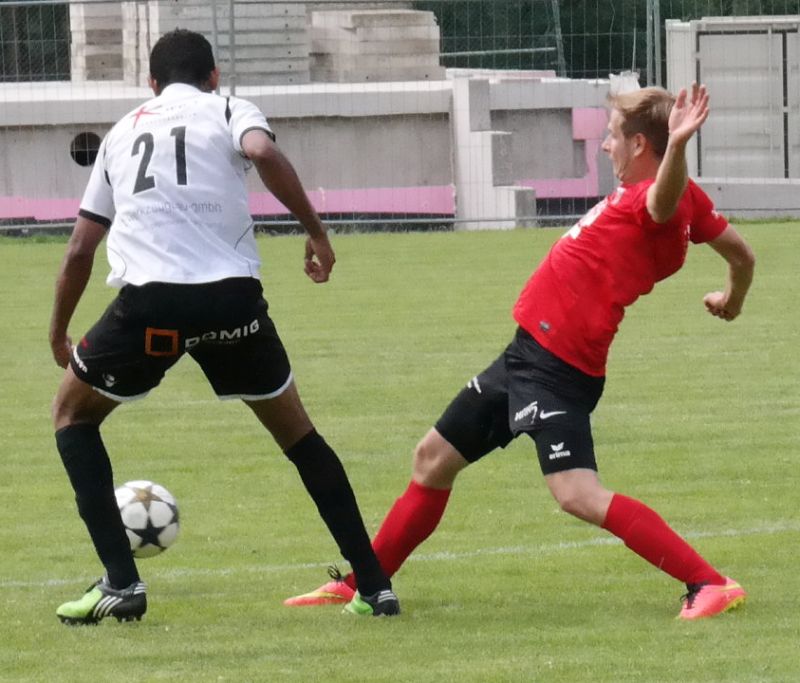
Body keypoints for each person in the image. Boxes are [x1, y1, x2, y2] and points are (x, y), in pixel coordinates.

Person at [284, 83, 755, 620]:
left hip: (559, 368)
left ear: (641, 144)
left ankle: (709, 582)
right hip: (526, 355)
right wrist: (731, 300)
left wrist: (679, 145)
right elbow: (742, 257)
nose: (606, 146)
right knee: (432, 459)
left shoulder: (657, 201)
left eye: (612, 136)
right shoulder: (674, 197)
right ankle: (364, 583)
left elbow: (662, 202)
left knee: (577, 493)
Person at [49, 29, 399, 624]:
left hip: (151, 308)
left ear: (152, 84)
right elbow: (261, 151)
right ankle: (375, 586)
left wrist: (59, 332)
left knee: (71, 416)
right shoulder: (230, 108)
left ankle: (121, 583)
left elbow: (81, 248)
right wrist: (316, 231)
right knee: (300, 437)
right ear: (213, 76)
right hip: (232, 305)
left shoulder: (122, 132)